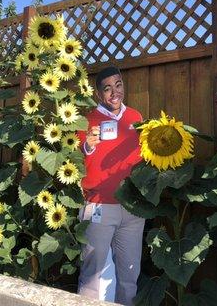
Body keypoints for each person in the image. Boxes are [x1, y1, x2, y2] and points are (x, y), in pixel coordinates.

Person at [77, 66, 145, 306]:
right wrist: (88, 146)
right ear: (98, 94)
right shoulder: (86, 120)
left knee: (130, 276)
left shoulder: (136, 118)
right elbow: (74, 161)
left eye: (118, 85)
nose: (114, 92)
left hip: (133, 209)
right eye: (107, 88)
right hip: (98, 207)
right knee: (92, 276)